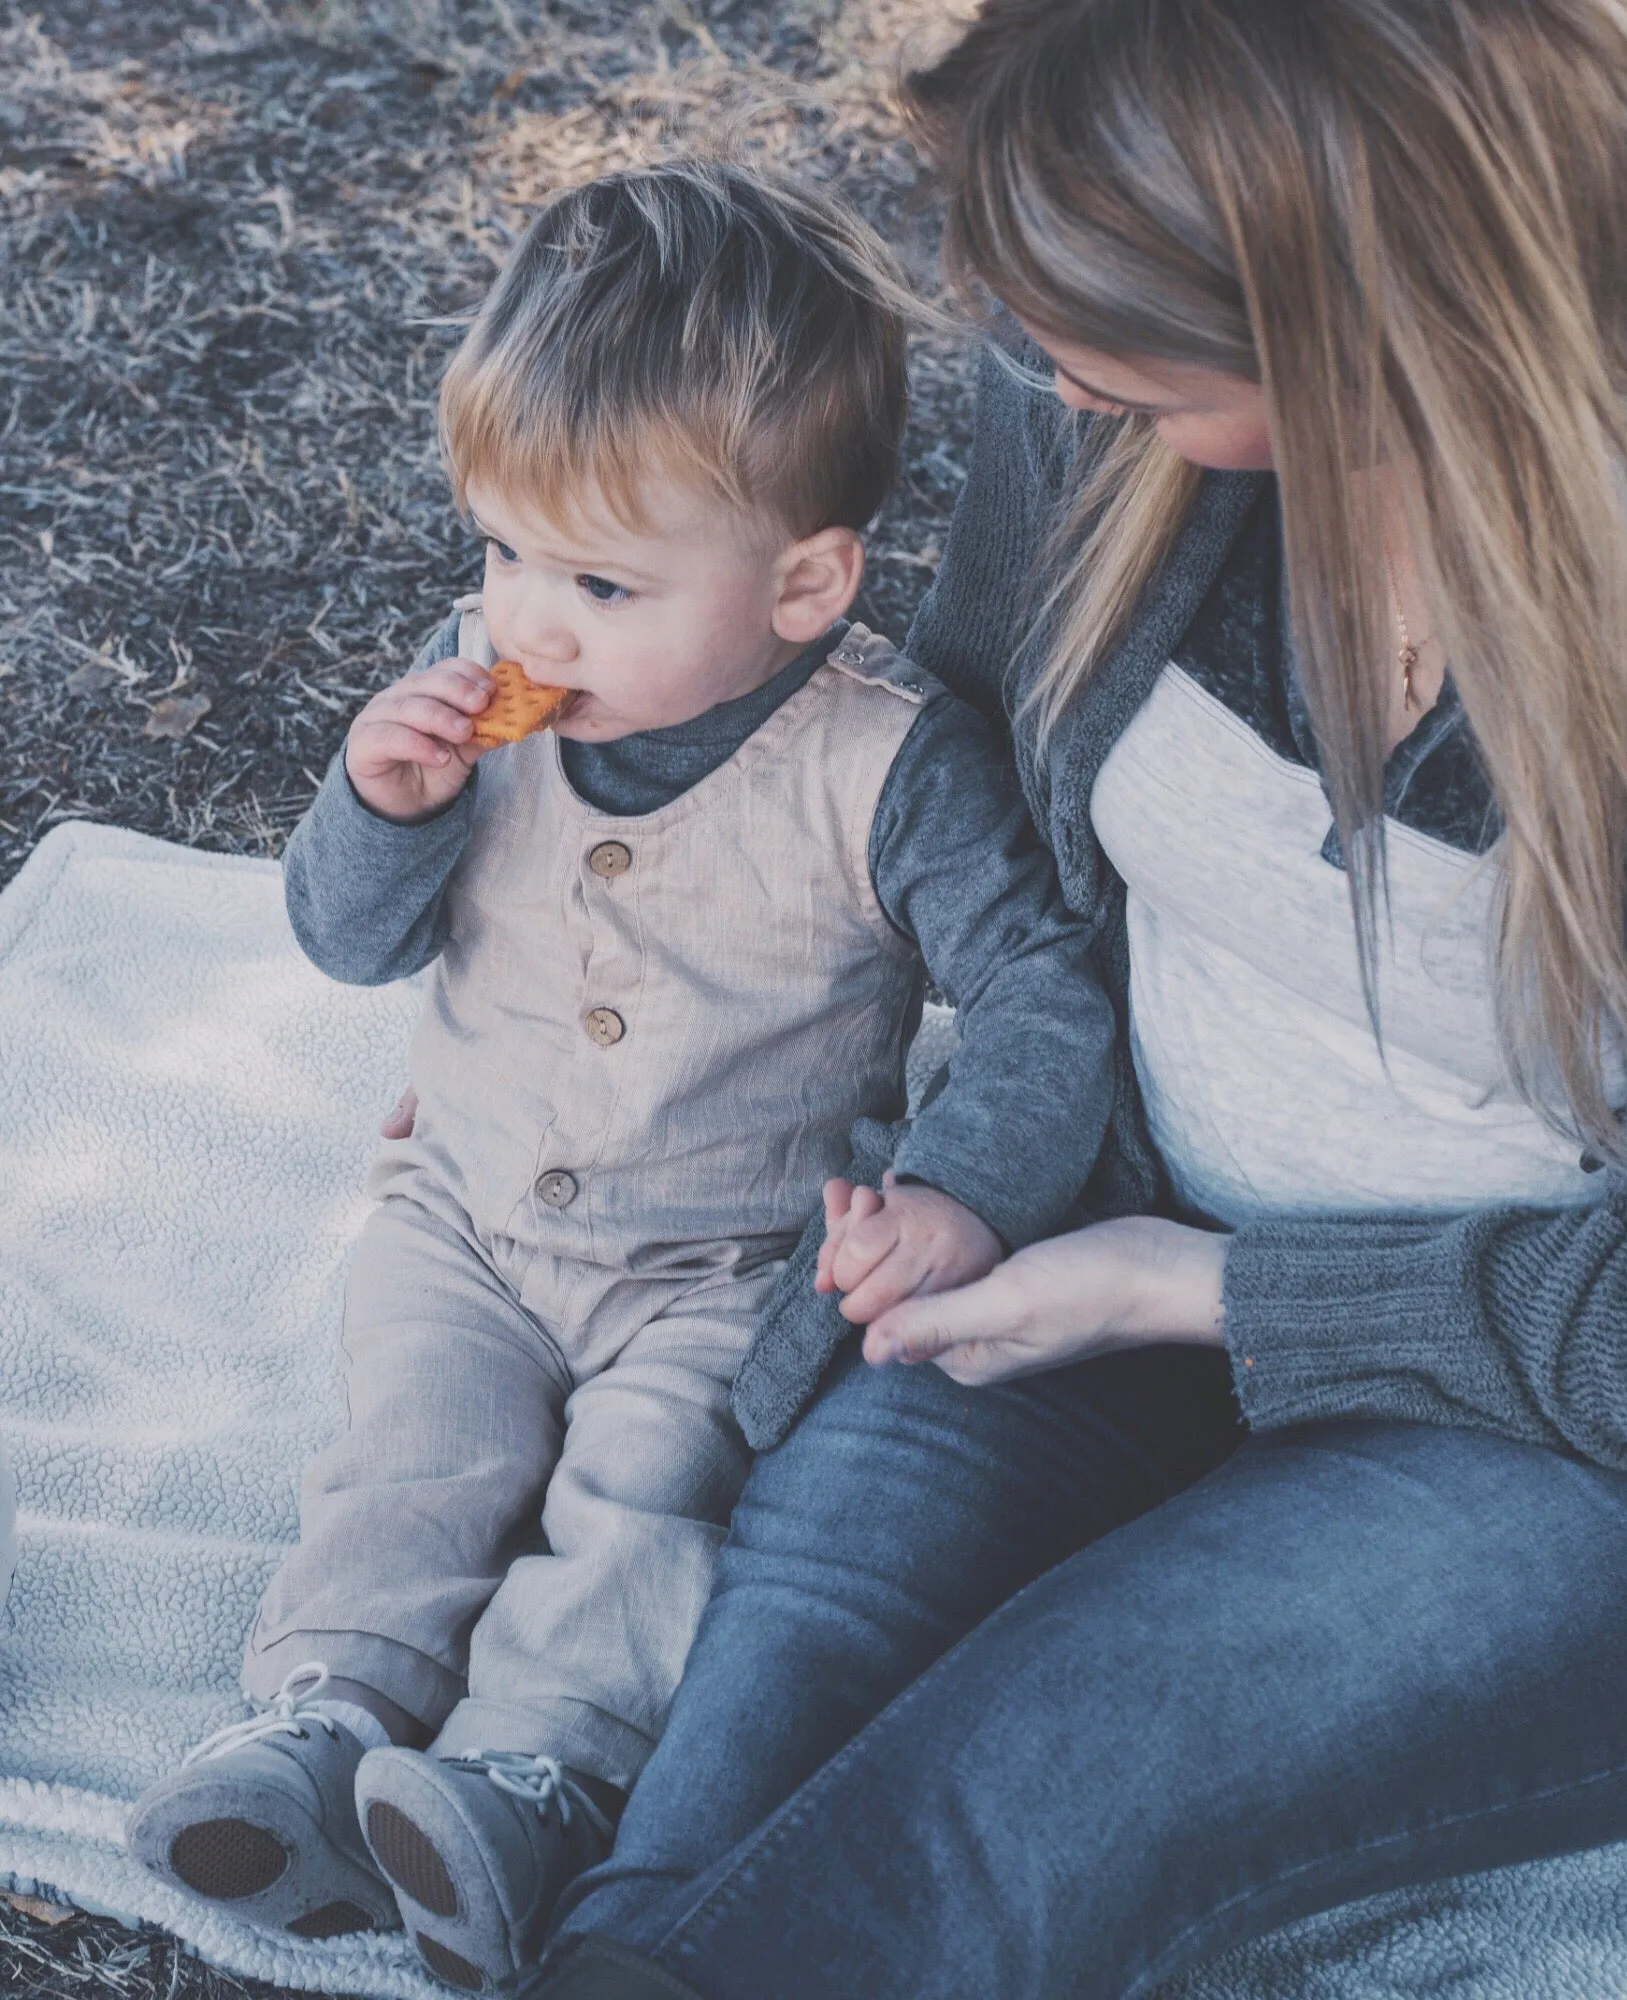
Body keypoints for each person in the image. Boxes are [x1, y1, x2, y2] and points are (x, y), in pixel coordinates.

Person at [520, 0, 1627, 1994]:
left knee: (1014, 1802)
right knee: (735, 1767)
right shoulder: (1105, 308)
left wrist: (1208, 1289)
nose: (1025, 357)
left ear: (1361, 295)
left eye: (1118, 363)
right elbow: (957, 809)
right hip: (1110, 1223)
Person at [122, 157, 1117, 1994]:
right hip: (467, 1208)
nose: (529, 624)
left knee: (651, 1494)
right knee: (414, 1446)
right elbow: (347, 942)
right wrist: (378, 806)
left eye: (596, 577)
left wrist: (961, 1192)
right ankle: (325, 1721)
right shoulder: (472, 688)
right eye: (500, 550)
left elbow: (1048, 992)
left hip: (721, 1256)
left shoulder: (886, 768)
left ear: (806, 581)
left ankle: (533, 1779)